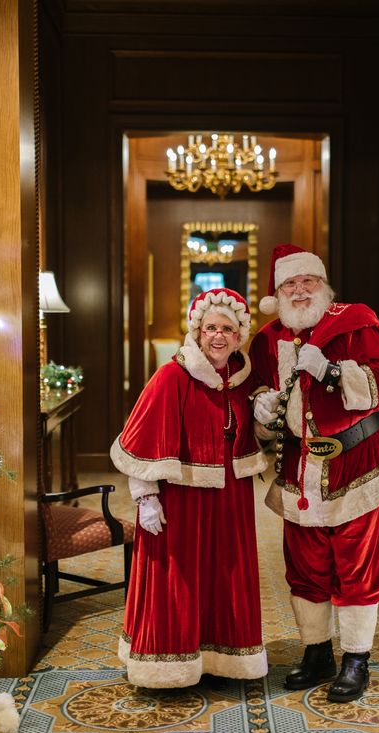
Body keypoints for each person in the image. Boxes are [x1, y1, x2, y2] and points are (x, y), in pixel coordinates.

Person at [250, 243, 379, 703]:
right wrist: (260, 409)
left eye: (308, 282)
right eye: (290, 285)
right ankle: (317, 653)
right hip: (300, 470)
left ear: (323, 285)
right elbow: (262, 401)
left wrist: (334, 372)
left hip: (359, 463)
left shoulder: (357, 321)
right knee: (305, 567)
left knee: (358, 566)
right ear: (277, 292)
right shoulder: (266, 340)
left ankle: (356, 659)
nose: (300, 291)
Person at [110, 287, 269, 688]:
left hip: (230, 497)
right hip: (182, 498)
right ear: (197, 332)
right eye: (210, 327)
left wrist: (266, 416)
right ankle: (167, 666)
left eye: (227, 329)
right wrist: (146, 497)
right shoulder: (172, 375)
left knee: (225, 574)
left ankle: (219, 658)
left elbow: (256, 433)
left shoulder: (243, 379)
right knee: (177, 577)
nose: (218, 336)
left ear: (239, 336)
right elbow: (140, 438)